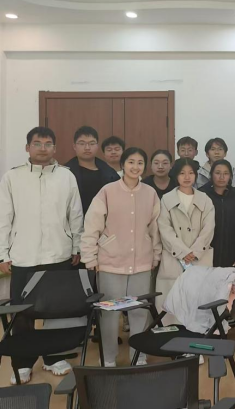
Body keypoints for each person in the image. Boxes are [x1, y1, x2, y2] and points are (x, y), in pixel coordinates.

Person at [0, 127, 83, 384]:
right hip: (23, 255)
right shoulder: (12, 177)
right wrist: (3, 253)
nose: (43, 148)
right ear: (28, 147)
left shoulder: (66, 176)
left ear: (55, 148)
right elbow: (4, 217)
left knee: (56, 311)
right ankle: (23, 363)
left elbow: (75, 214)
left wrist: (76, 246)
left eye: (48, 144)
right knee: (22, 314)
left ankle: (53, 357)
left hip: (58, 254)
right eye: (37, 143)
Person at [81, 147, 161, 367]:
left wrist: (155, 255)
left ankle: (139, 356)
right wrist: (90, 257)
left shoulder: (150, 193)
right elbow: (92, 226)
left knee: (140, 312)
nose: (135, 167)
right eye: (131, 162)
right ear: (123, 165)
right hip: (110, 263)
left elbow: (155, 228)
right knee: (109, 315)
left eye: (140, 163)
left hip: (142, 262)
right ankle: (108, 358)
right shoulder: (107, 191)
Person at [156, 158, 215, 321]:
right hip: (174, 257)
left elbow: (209, 228)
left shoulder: (205, 199)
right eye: (182, 173)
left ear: (196, 175)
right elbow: (164, 228)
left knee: (198, 302)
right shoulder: (166, 199)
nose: (187, 177)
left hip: (199, 257)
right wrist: (182, 252)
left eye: (191, 173)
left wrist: (194, 252)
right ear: (176, 175)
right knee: (172, 306)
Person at [200, 159, 235, 268]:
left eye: (226, 173)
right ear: (211, 175)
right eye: (218, 173)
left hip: (231, 254)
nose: (221, 177)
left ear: (230, 176)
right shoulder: (202, 195)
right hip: (205, 253)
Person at [65, 126, 120, 214]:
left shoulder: (110, 173)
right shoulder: (65, 172)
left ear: (97, 146)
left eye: (92, 143)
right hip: (75, 220)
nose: (87, 147)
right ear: (74, 146)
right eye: (82, 143)